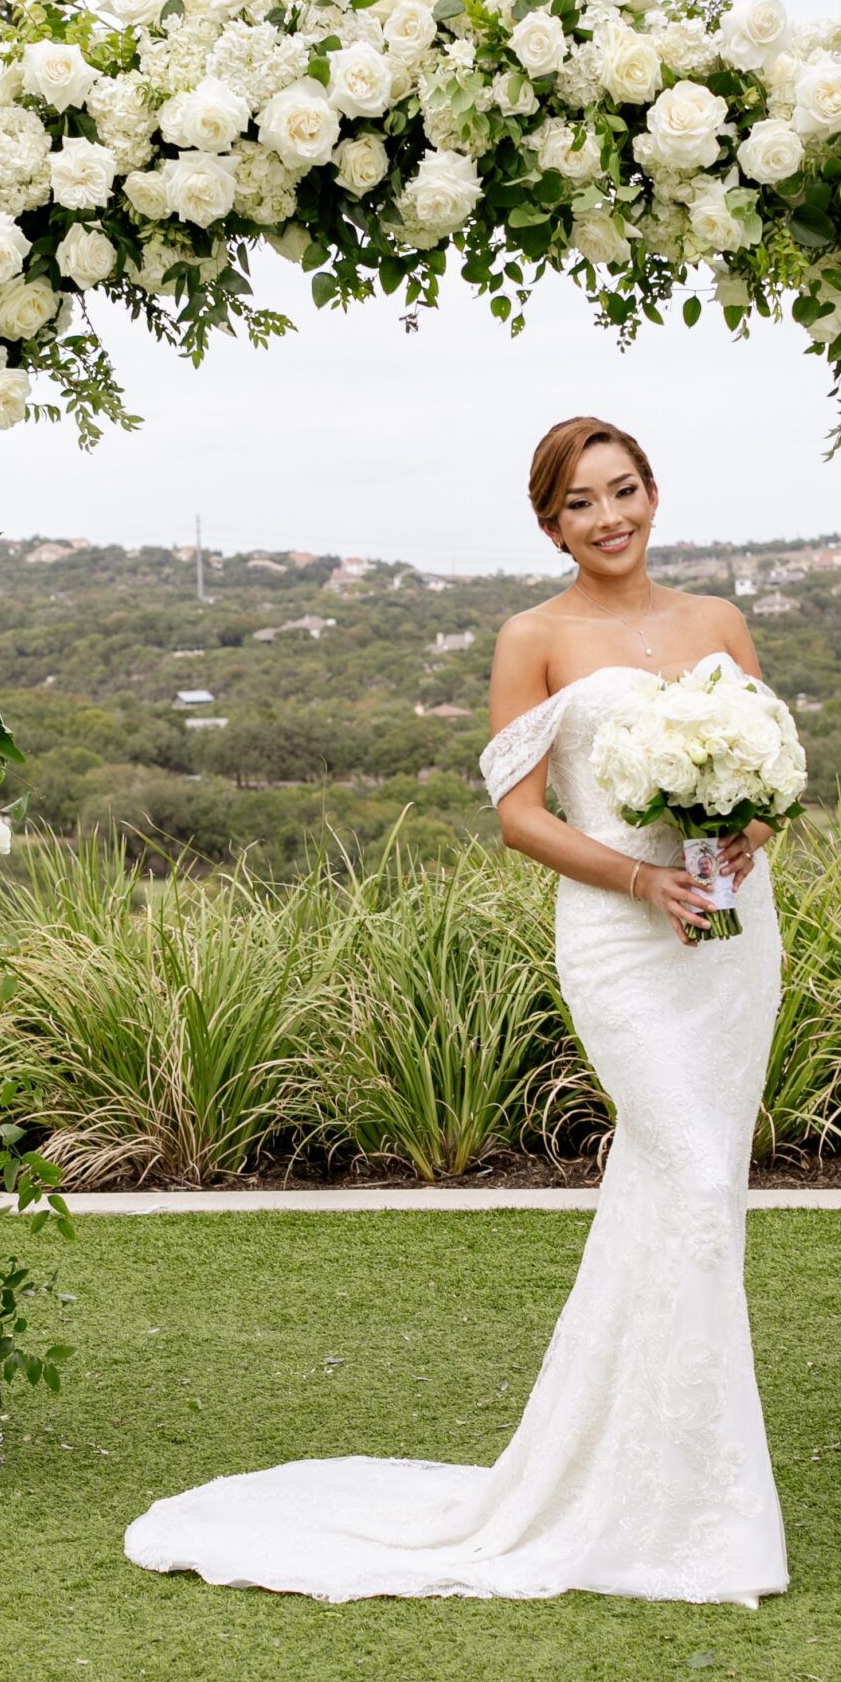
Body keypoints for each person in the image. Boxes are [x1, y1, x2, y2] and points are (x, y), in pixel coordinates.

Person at [123, 415, 788, 1605]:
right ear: (549, 524)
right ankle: (668, 1507)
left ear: (653, 492)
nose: (609, 518)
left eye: (622, 491)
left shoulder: (717, 623)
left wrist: (741, 836)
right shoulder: (531, 638)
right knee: (686, 1175)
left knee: (692, 1193)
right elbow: (519, 814)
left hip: (729, 937)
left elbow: (769, 773)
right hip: (623, 939)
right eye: (579, 504)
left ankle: (666, 1481)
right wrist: (641, 875)